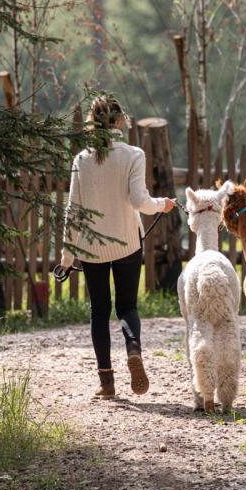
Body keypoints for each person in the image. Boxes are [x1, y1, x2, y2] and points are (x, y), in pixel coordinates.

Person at [57, 95, 178, 399]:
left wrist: (67, 257)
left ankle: (107, 383)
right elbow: (139, 201)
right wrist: (162, 205)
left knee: (99, 311)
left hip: (92, 248)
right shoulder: (133, 155)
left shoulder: (82, 160)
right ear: (120, 120)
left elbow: (74, 211)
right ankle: (133, 348)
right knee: (128, 306)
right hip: (126, 243)